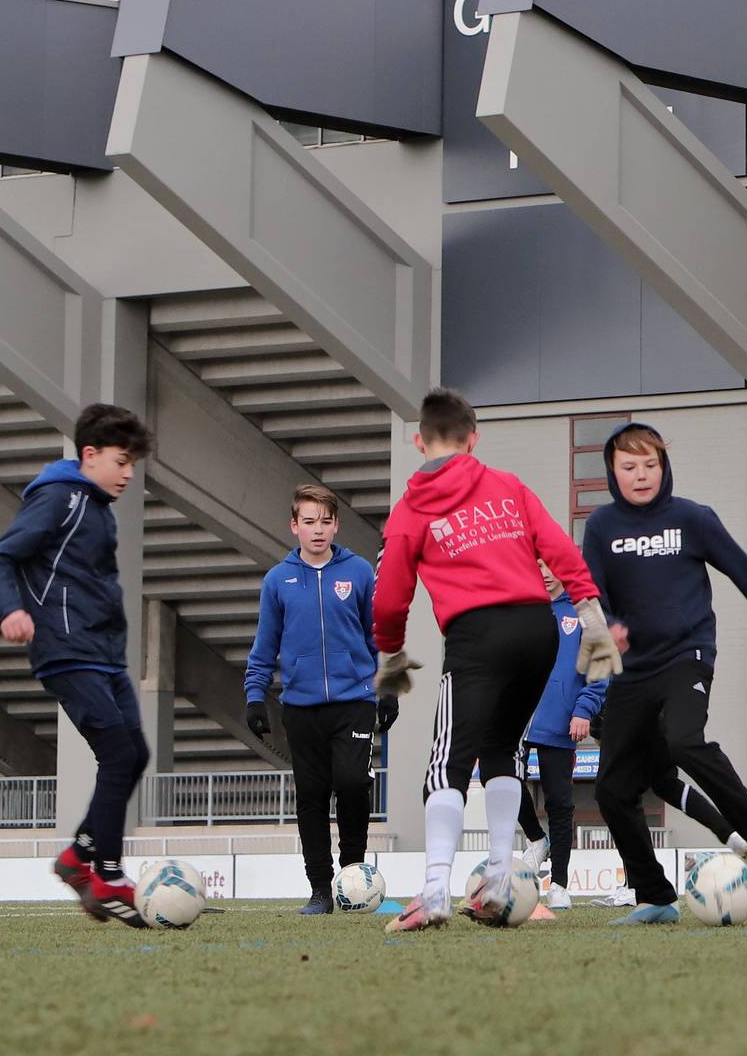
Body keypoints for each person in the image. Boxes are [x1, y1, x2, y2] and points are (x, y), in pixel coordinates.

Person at [374, 387, 621, 932]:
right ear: (473, 438)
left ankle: (436, 891)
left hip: (476, 634)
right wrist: (594, 622)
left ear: (419, 441)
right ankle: (501, 881)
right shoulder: (508, 487)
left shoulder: (411, 509)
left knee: (447, 762)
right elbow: (560, 550)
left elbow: (391, 595)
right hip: (537, 629)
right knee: (502, 751)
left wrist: (390, 652)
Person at [585, 423, 747, 925]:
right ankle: (653, 895)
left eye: (650, 464)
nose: (641, 475)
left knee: (682, 741)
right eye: (629, 467)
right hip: (632, 672)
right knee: (612, 789)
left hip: (686, 656)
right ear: (613, 472)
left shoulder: (692, 518)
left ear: (664, 466)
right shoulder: (601, 526)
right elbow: (592, 593)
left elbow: (746, 573)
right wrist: (608, 632)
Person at [0, 403, 156, 927]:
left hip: (103, 655)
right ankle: (106, 873)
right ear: (90, 454)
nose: (128, 473)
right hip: (67, 650)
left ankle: (78, 855)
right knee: (118, 754)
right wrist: (10, 609)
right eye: (121, 461)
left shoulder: (96, 505)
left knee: (136, 753)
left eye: (132, 464)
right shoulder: (61, 498)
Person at [513, 560, 747, 910]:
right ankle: (644, 877)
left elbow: (605, 663)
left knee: (635, 787)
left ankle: (605, 883)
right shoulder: (536, 609)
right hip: (583, 715)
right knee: (620, 789)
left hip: (623, 713)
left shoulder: (593, 611)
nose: (545, 573)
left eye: (551, 566)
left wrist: (586, 707)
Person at [243, 483, 388, 914]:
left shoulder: (360, 572)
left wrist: (389, 689)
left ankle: (353, 876)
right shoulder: (277, 580)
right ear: (295, 527)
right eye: (309, 522)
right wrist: (255, 696)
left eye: (326, 521)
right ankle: (321, 890)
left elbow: (377, 636)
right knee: (310, 795)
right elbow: (264, 645)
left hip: (354, 700)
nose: (318, 530)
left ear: (336, 524)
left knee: (351, 783)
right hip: (301, 708)